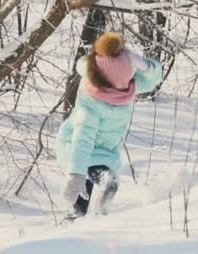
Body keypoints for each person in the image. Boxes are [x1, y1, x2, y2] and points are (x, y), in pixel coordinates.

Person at [56, 32, 163, 221]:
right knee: (108, 184)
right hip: (77, 151)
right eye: (122, 83)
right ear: (108, 83)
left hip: (103, 153)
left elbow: (152, 80)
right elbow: (82, 140)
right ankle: (90, 222)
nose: (127, 87)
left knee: (104, 186)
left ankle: (91, 219)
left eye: (129, 80)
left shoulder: (125, 87)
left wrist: (144, 65)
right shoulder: (90, 105)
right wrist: (76, 174)